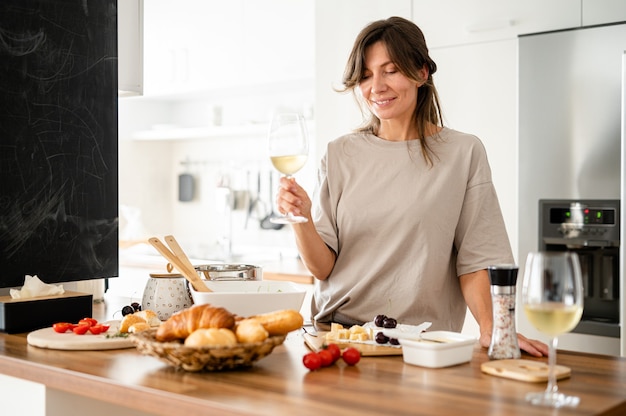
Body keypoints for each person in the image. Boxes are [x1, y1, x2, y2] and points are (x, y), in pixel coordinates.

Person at [276, 16, 548, 357]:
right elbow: (322, 267)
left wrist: (492, 327)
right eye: (365, 76)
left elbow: (478, 258)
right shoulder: (339, 154)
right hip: (338, 339)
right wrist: (300, 219)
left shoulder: (463, 153)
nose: (376, 86)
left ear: (422, 73)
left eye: (390, 70)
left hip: (422, 346)